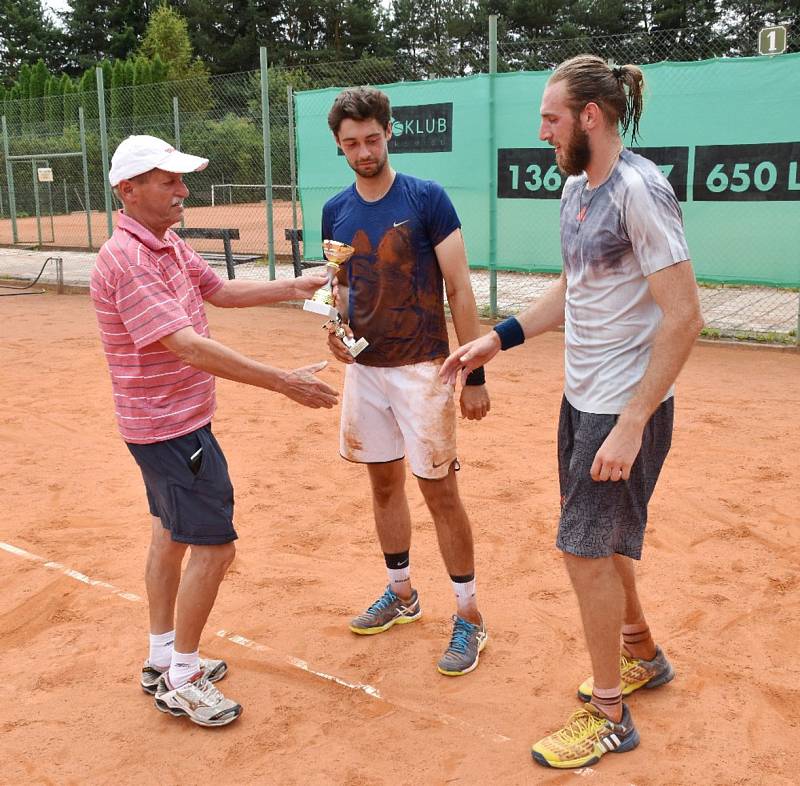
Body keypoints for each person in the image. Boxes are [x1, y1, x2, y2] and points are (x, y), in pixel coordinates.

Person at [441, 56, 704, 765]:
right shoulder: (575, 190)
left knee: (581, 550)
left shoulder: (639, 192)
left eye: (551, 118)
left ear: (591, 116)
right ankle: (642, 654)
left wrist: (631, 420)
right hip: (581, 400)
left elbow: (684, 317)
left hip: (622, 408)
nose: (542, 131)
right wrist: (493, 341)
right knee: (603, 543)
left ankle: (612, 716)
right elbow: (572, 292)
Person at [89, 135, 338, 727]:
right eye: (169, 181)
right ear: (129, 190)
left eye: (181, 178)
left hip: (170, 425)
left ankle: (160, 658)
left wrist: (297, 286)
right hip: (171, 432)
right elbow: (188, 346)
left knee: (169, 534)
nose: (184, 190)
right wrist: (283, 381)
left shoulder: (166, 244)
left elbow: (219, 291)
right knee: (214, 547)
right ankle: (183, 675)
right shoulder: (128, 261)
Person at [323, 87, 491, 676]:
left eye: (372, 139)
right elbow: (341, 288)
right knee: (383, 486)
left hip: (426, 369)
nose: (363, 151)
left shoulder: (427, 198)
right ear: (339, 146)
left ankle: (469, 615)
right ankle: (402, 594)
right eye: (351, 143)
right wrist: (336, 331)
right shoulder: (335, 210)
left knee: (440, 493)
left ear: (389, 132)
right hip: (366, 372)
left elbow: (460, 288)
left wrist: (473, 374)